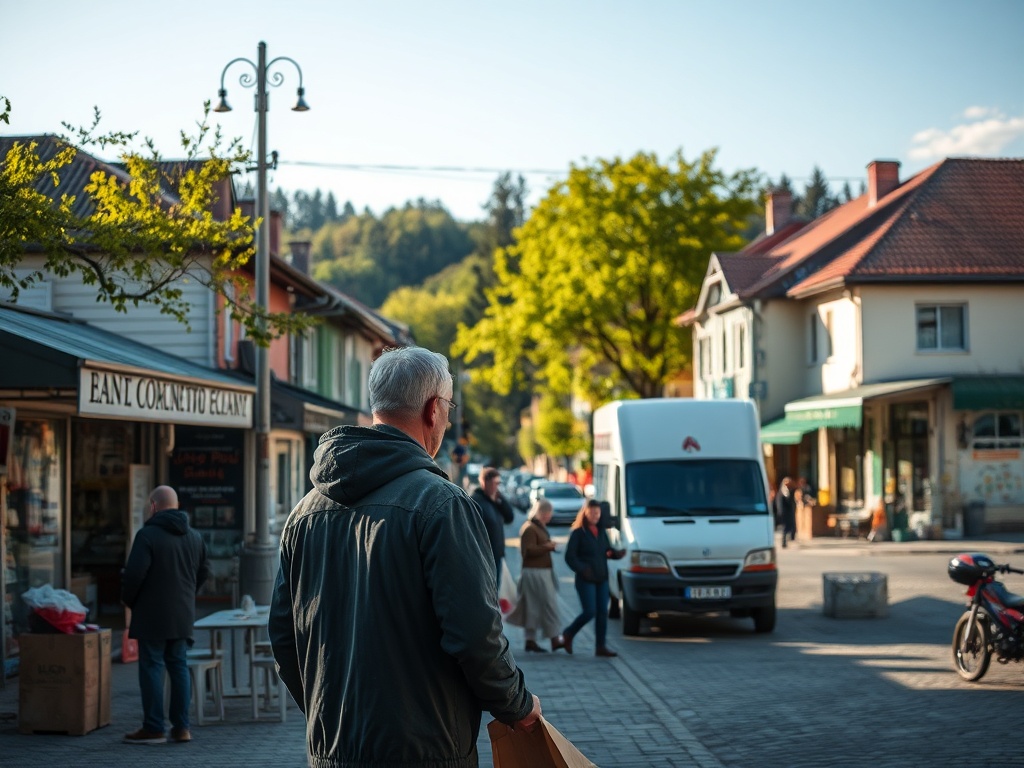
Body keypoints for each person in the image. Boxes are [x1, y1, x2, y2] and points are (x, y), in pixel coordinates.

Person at [269, 346, 541, 767]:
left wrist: (329, 717)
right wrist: (517, 705)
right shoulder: (441, 504)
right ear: (434, 409)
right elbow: (474, 633)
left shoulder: (303, 513)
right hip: (424, 749)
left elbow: (285, 638)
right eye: (448, 407)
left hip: (331, 751)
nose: (447, 419)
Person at [121, 485, 210, 745]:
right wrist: (187, 594)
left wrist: (130, 601)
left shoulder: (147, 535)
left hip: (151, 615)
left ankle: (154, 727)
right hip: (182, 614)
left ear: (153, 506)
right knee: (179, 666)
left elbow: (134, 575)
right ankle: (182, 728)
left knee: (151, 667)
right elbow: (204, 570)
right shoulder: (194, 536)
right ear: (177, 505)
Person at [561, 499, 625, 658]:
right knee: (590, 611)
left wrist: (615, 554)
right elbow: (570, 557)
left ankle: (600, 646)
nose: (596, 515)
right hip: (585, 579)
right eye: (593, 512)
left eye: (598, 513)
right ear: (586, 513)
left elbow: (605, 551)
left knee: (602, 612)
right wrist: (582, 569)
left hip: (601, 578)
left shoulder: (601, 531)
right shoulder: (578, 533)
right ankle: (568, 633)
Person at [505, 499, 568, 653]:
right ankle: (554, 639)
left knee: (532, 606)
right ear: (542, 512)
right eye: (548, 513)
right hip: (535, 572)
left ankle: (531, 640)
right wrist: (547, 547)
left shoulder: (537, 527)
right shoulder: (530, 528)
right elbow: (528, 552)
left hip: (540, 571)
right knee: (548, 604)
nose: (550, 517)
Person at [470, 466, 515, 582]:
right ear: (485, 482)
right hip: (484, 560)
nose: (498, 487)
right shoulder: (475, 501)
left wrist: (500, 500)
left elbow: (510, 517)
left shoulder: (494, 500)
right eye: (496, 483)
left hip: (497, 557)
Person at [775, 476, 797, 547]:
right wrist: (780, 512)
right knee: (784, 527)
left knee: (790, 526)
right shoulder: (782, 492)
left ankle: (791, 538)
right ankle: (783, 542)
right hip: (784, 512)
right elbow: (779, 503)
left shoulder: (790, 491)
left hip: (789, 512)